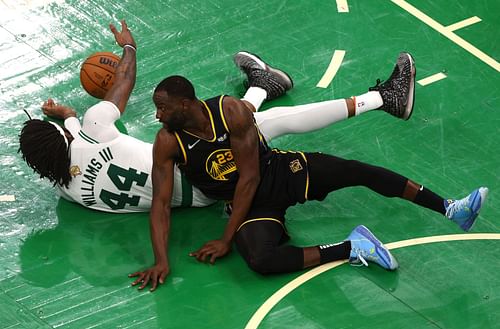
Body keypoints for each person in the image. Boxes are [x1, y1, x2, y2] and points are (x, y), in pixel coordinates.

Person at [130, 51, 488, 291]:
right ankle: (353, 246)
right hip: (252, 208)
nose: (158, 116)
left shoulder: (229, 112)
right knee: (260, 260)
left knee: (358, 171)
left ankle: (451, 208)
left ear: (186, 103)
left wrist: (225, 238)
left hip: (279, 172)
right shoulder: (168, 142)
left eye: (162, 108)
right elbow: (160, 204)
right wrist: (161, 260)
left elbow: (251, 177)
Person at [19, 25, 415, 214]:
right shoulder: (93, 127)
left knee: (239, 117)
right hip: (210, 174)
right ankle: (383, 98)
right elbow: (120, 85)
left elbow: (73, 147)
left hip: (196, 195)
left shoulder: (64, 188)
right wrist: (127, 47)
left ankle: (264, 83)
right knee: (262, 123)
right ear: (65, 135)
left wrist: (66, 118)